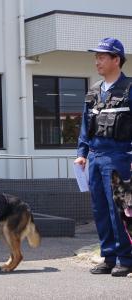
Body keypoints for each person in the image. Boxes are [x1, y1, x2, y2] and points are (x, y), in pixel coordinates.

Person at [75, 38, 132, 277]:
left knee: (118, 209)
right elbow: (85, 127)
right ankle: (108, 256)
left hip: (119, 156)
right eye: (96, 57)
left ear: (116, 59)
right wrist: (82, 154)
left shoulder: (129, 89)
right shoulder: (94, 91)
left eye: (102, 57)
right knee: (99, 209)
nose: (97, 61)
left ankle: (126, 258)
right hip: (96, 158)